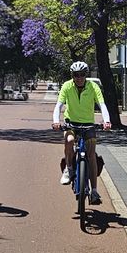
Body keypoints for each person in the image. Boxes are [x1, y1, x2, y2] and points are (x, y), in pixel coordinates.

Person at [50, 60, 112, 204]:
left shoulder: (93, 87)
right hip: (71, 124)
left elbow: (102, 105)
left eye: (82, 75)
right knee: (70, 141)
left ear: (86, 75)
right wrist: (56, 121)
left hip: (88, 125)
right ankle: (69, 168)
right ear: (72, 75)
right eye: (76, 75)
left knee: (91, 155)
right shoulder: (66, 86)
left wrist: (106, 121)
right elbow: (58, 105)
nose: (79, 78)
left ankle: (94, 191)